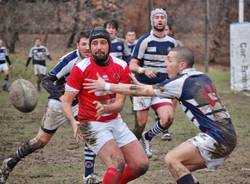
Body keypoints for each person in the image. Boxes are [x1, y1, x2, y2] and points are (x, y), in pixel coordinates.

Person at [83, 46, 237, 184]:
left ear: (181, 65)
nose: (165, 64)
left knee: (172, 159)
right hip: (229, 136)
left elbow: (142, 92)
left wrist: (106, 86)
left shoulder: (180, 82)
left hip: (215, 136)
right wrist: (136, 82)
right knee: (180, 167)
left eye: (169, 60)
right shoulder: (202, 77)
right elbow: (152, 89)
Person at [0, 31, 101, 184]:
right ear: (77, 45)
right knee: (40, 141)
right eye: (83, 44)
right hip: (58, 104)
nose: (87, 48)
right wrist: (63, 98)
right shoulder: (69, 60)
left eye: (90, 44)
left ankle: (88, 176)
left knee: (90, 133)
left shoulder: (95, 59)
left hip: (78, 104)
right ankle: (9, 163)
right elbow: (46, 80)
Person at [61, 26, 149, 184]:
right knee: (117, 163)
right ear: (90, 46)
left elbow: (119, 104)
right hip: (89, 123)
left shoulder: (121, 66)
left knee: (140, 165)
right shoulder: (80, 69)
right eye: (94, 43)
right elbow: (65, 101)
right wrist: (73, 122)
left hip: (114, 120)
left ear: (109, 45)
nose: (99, 47)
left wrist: (106, 108)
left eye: (103, 43)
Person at [129, 8, 176, 158]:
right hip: (143, 87)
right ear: (152, 21)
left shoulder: (172, 42)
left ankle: (148, 136)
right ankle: (131, 148)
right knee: (140, 124)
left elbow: (174, 64)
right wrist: (144, 70)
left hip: (162, 87)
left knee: (167, 119)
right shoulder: (144, 40)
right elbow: (132, 65)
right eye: (157, 17)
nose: (160, 20)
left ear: (166, 20)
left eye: (162, 17)